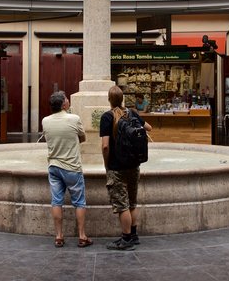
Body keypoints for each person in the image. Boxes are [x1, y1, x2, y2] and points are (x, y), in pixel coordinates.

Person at [100, 85, 152, 251]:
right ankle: (134, 235)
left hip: (117, 166)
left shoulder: (107, 117)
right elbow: (149, 128)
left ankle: (126, 239)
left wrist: (107, 165)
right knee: (132, 202)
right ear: (122, 98)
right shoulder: (132, 113)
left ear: (109, 99)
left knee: (122, 205)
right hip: (134, 164)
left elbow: (105, 146)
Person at [41, 90, 91, 248]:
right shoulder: (74, 119)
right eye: (67, 99)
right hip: (72, 167)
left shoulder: (45, 121)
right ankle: (82, 236)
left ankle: (58, 236)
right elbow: (83, 137)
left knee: (56, 201)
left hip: (54, 166)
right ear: (64, 104)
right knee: (79, 202)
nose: (69, 101)